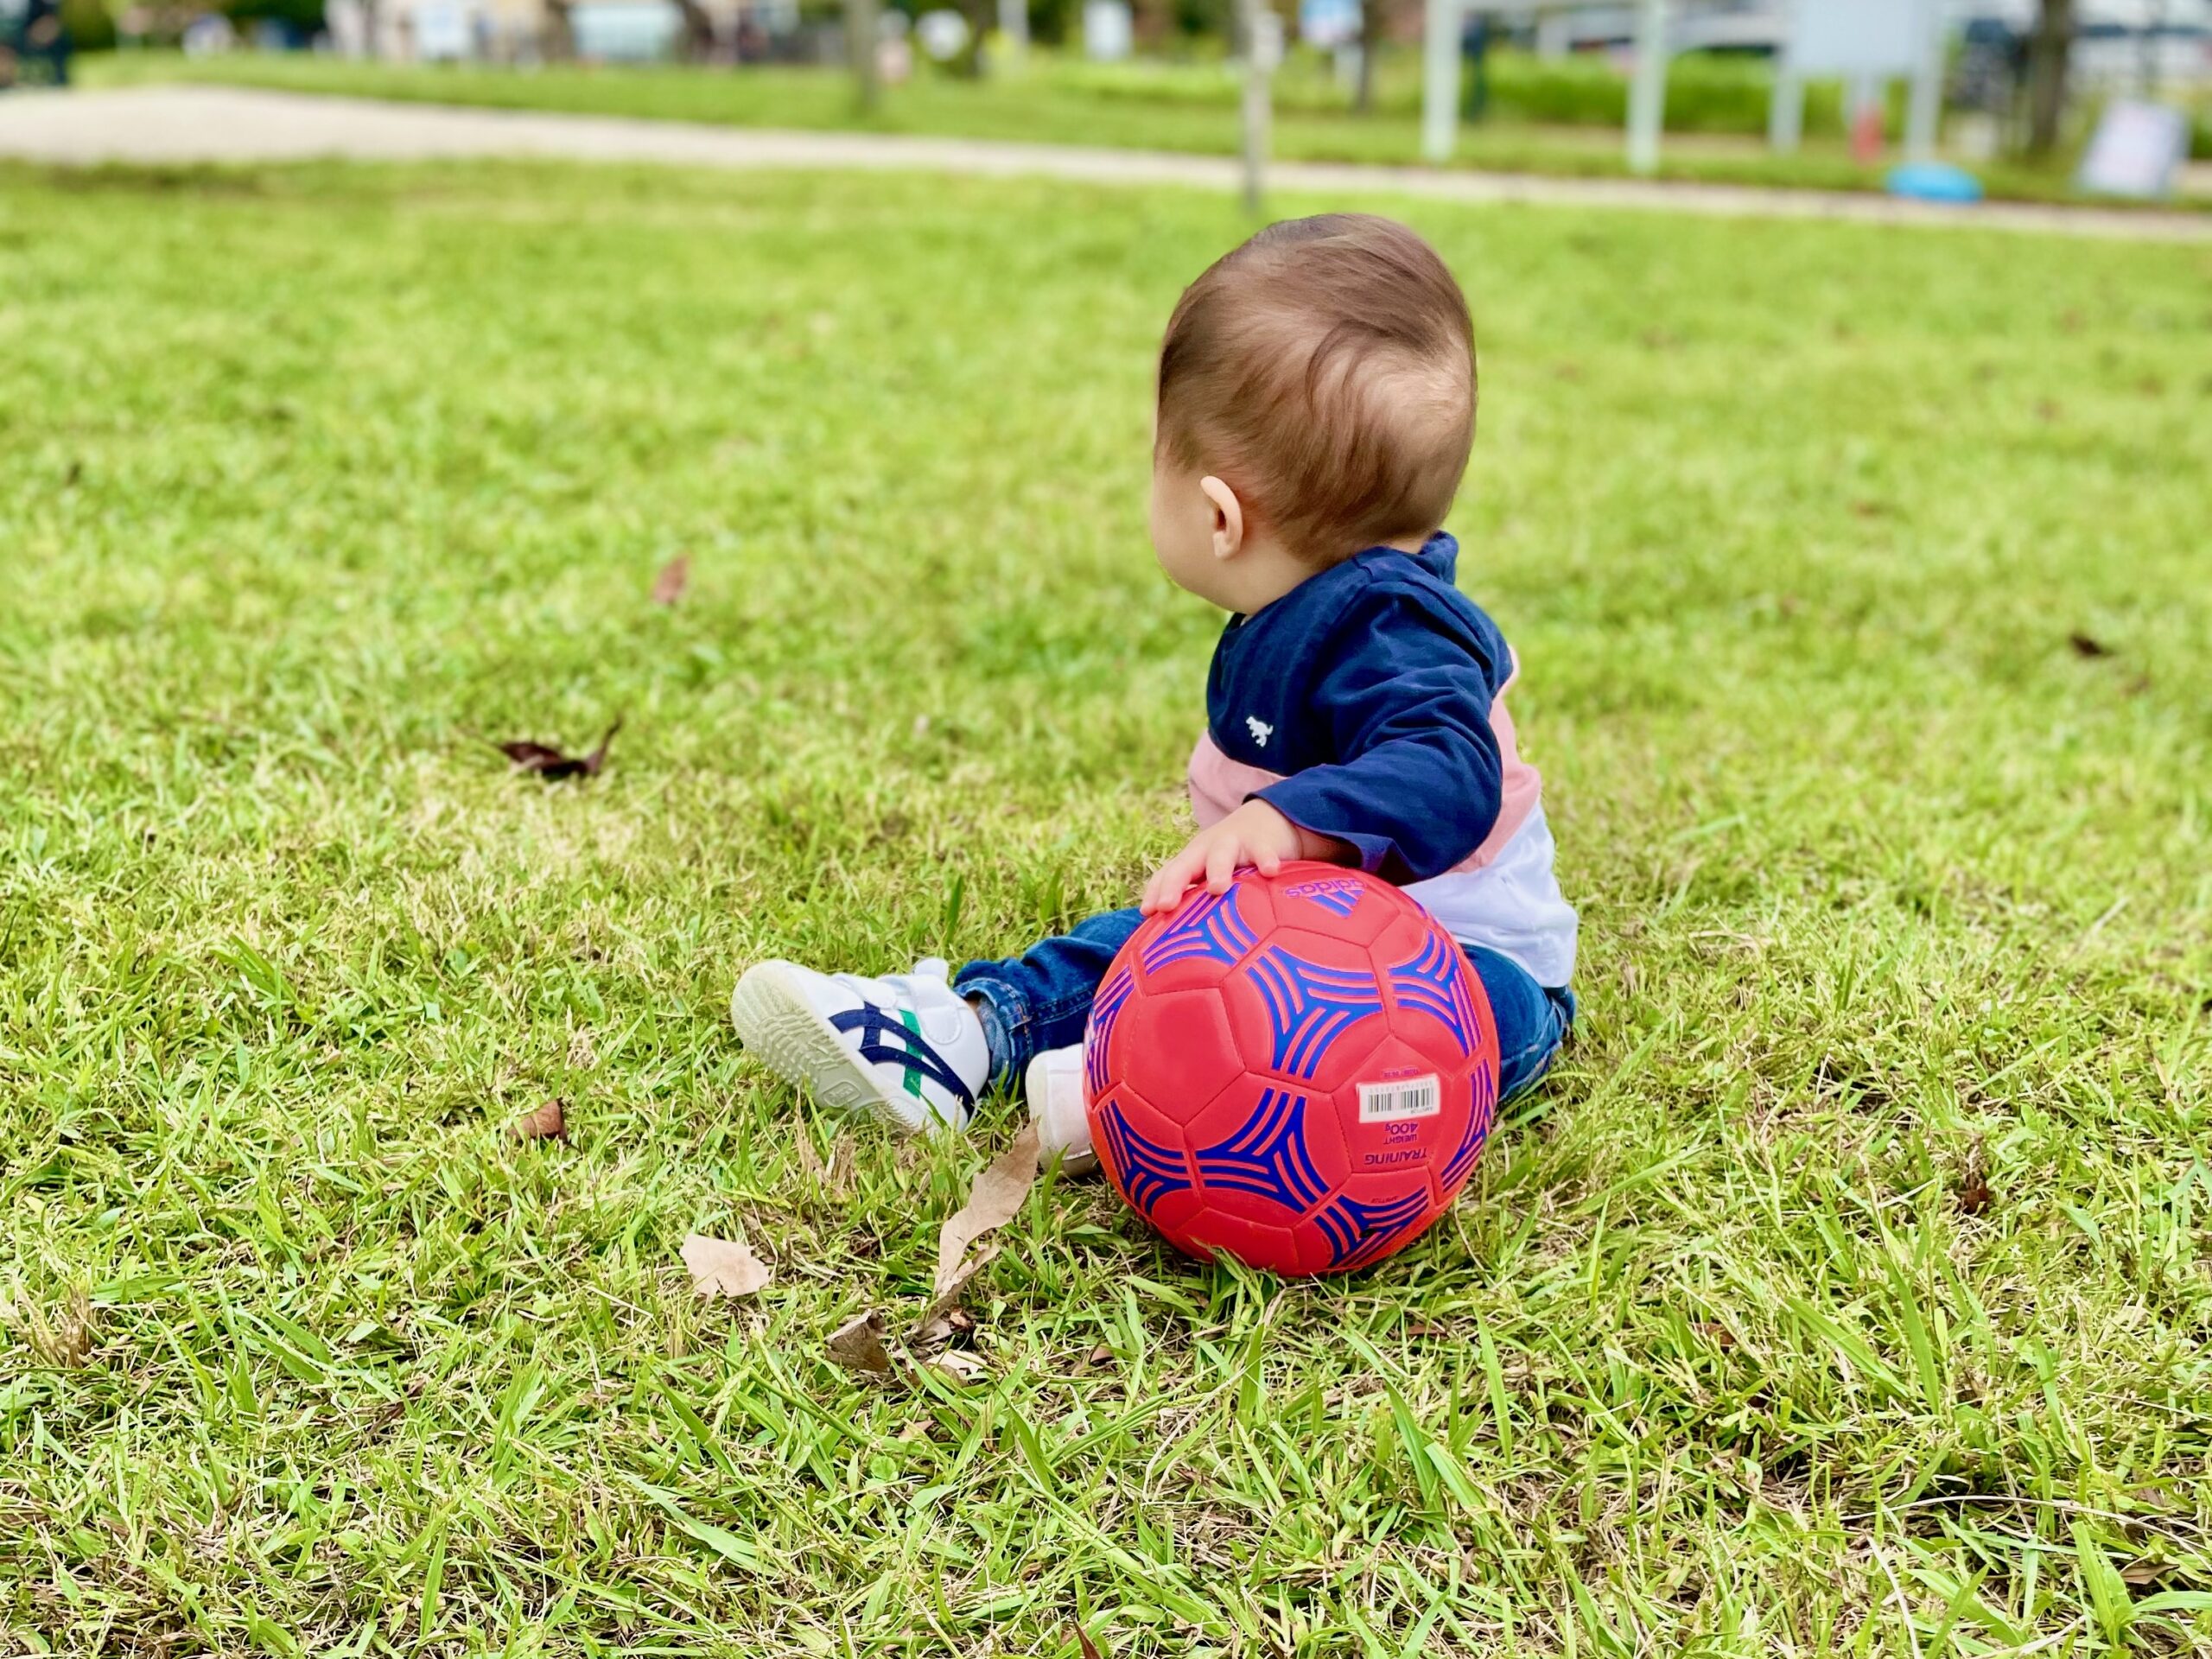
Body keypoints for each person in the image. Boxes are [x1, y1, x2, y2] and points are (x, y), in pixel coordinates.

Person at [732, 213, 1577, 1162]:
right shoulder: (1317, 596)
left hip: (1461, 952)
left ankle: (1150, 1100)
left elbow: (1446, 765)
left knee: (1466, 1022)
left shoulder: (1397, 630)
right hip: (1291, 937)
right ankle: (965, 1037)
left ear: (1218, 515)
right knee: (1139, 945)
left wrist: (1291, 824)